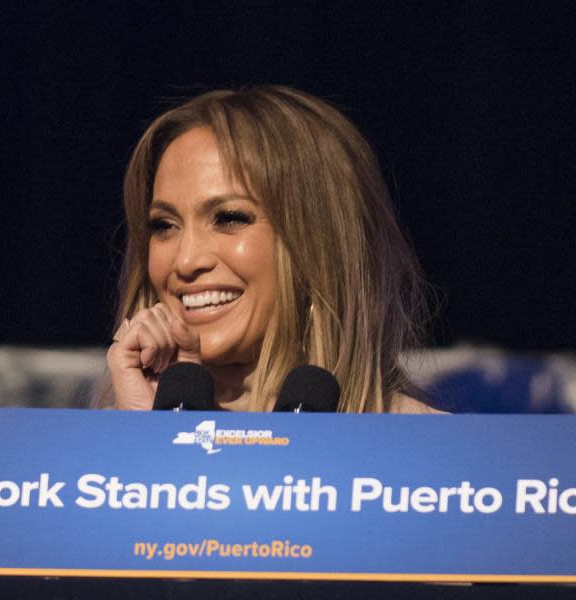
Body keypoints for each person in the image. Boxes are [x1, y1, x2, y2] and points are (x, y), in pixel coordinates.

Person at [103, 86, 440, 414]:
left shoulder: (433, 455)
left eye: (229, 218)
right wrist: (142, 439)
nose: (186, 260)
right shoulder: (86, 461)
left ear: (320, 249)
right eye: (164, 225)